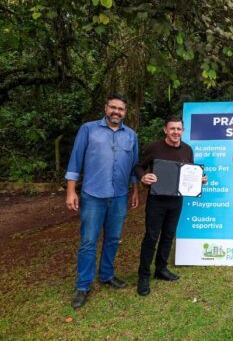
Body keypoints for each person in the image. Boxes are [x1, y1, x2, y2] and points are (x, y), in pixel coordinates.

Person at [65, 93, 139, 309]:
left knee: (114, 238)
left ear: (125, 112)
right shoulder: (88, 130)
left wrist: (135, 191)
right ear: (106, 108)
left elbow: (134, 166)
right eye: (113, 107)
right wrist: (71, 191)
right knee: (88, 240)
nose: (117, 112)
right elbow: (75, 160)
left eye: (121, 109)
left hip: (119, 196)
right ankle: (83, 285)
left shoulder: (131, 135)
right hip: (93, 195)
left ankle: (107, 275)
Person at [134, 115, 207, 296]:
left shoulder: (187, 150)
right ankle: (143, 275)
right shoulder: (154, 148)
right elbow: (138, 166)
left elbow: (188, 173)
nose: (176, 132)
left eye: (179, 129)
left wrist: (199, 180)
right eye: (172, 129)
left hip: (176, 200)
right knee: (151, 237)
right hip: (157, 200)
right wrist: (143, 177)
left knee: (168, 236)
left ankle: (161, 269)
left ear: (183, 131)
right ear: (165, 130)